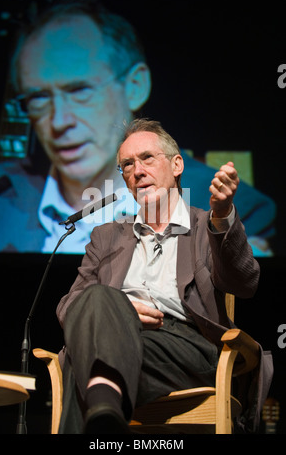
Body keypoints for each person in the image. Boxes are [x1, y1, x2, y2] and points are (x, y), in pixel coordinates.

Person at [0, 0, 276, 254]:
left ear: (135, 86)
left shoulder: (226, 207)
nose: (59, 121)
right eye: (39, 98)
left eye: (80, 91)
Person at [56, 118, 273, 434]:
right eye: (127, 165)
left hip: (185, 349)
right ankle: (106, 410)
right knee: (98, 302)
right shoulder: (106, 237)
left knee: (81, 361)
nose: (137, 171)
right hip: (119, 340)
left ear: (176, 165)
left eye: (147, 158)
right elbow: (69, 305)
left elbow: (245, 282)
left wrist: (224, 215)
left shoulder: (203, 227)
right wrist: (121, 311)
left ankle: (103, 409)